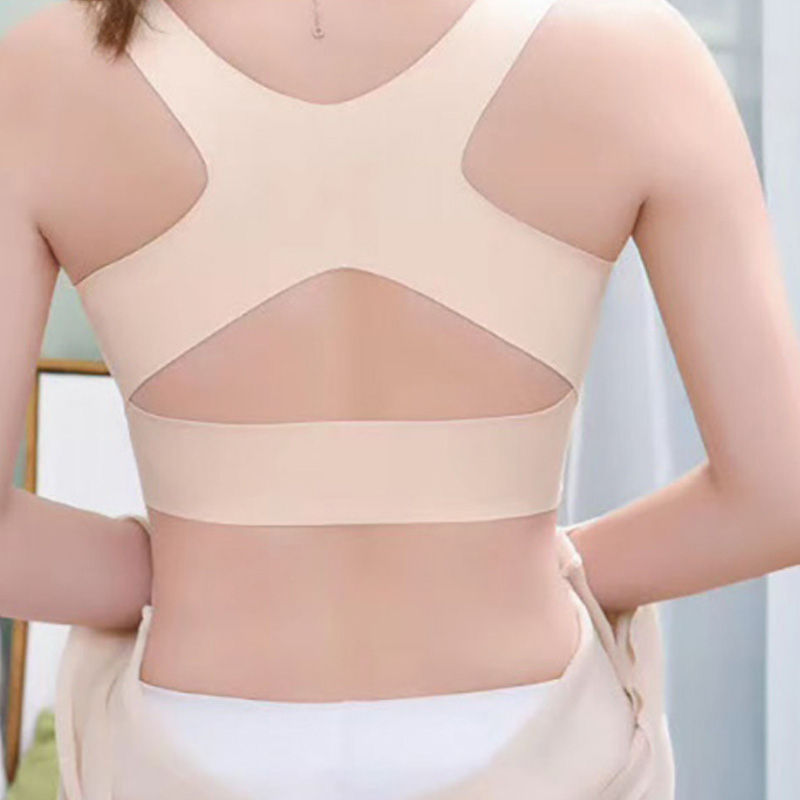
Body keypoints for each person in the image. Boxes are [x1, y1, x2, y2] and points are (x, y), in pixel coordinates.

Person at [1, 0, 799, 797]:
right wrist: (549, 565)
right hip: (535, 735)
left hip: (192, 737)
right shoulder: (634, 54)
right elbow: (779, 497)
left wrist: (176, 569)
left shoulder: (46, 76)